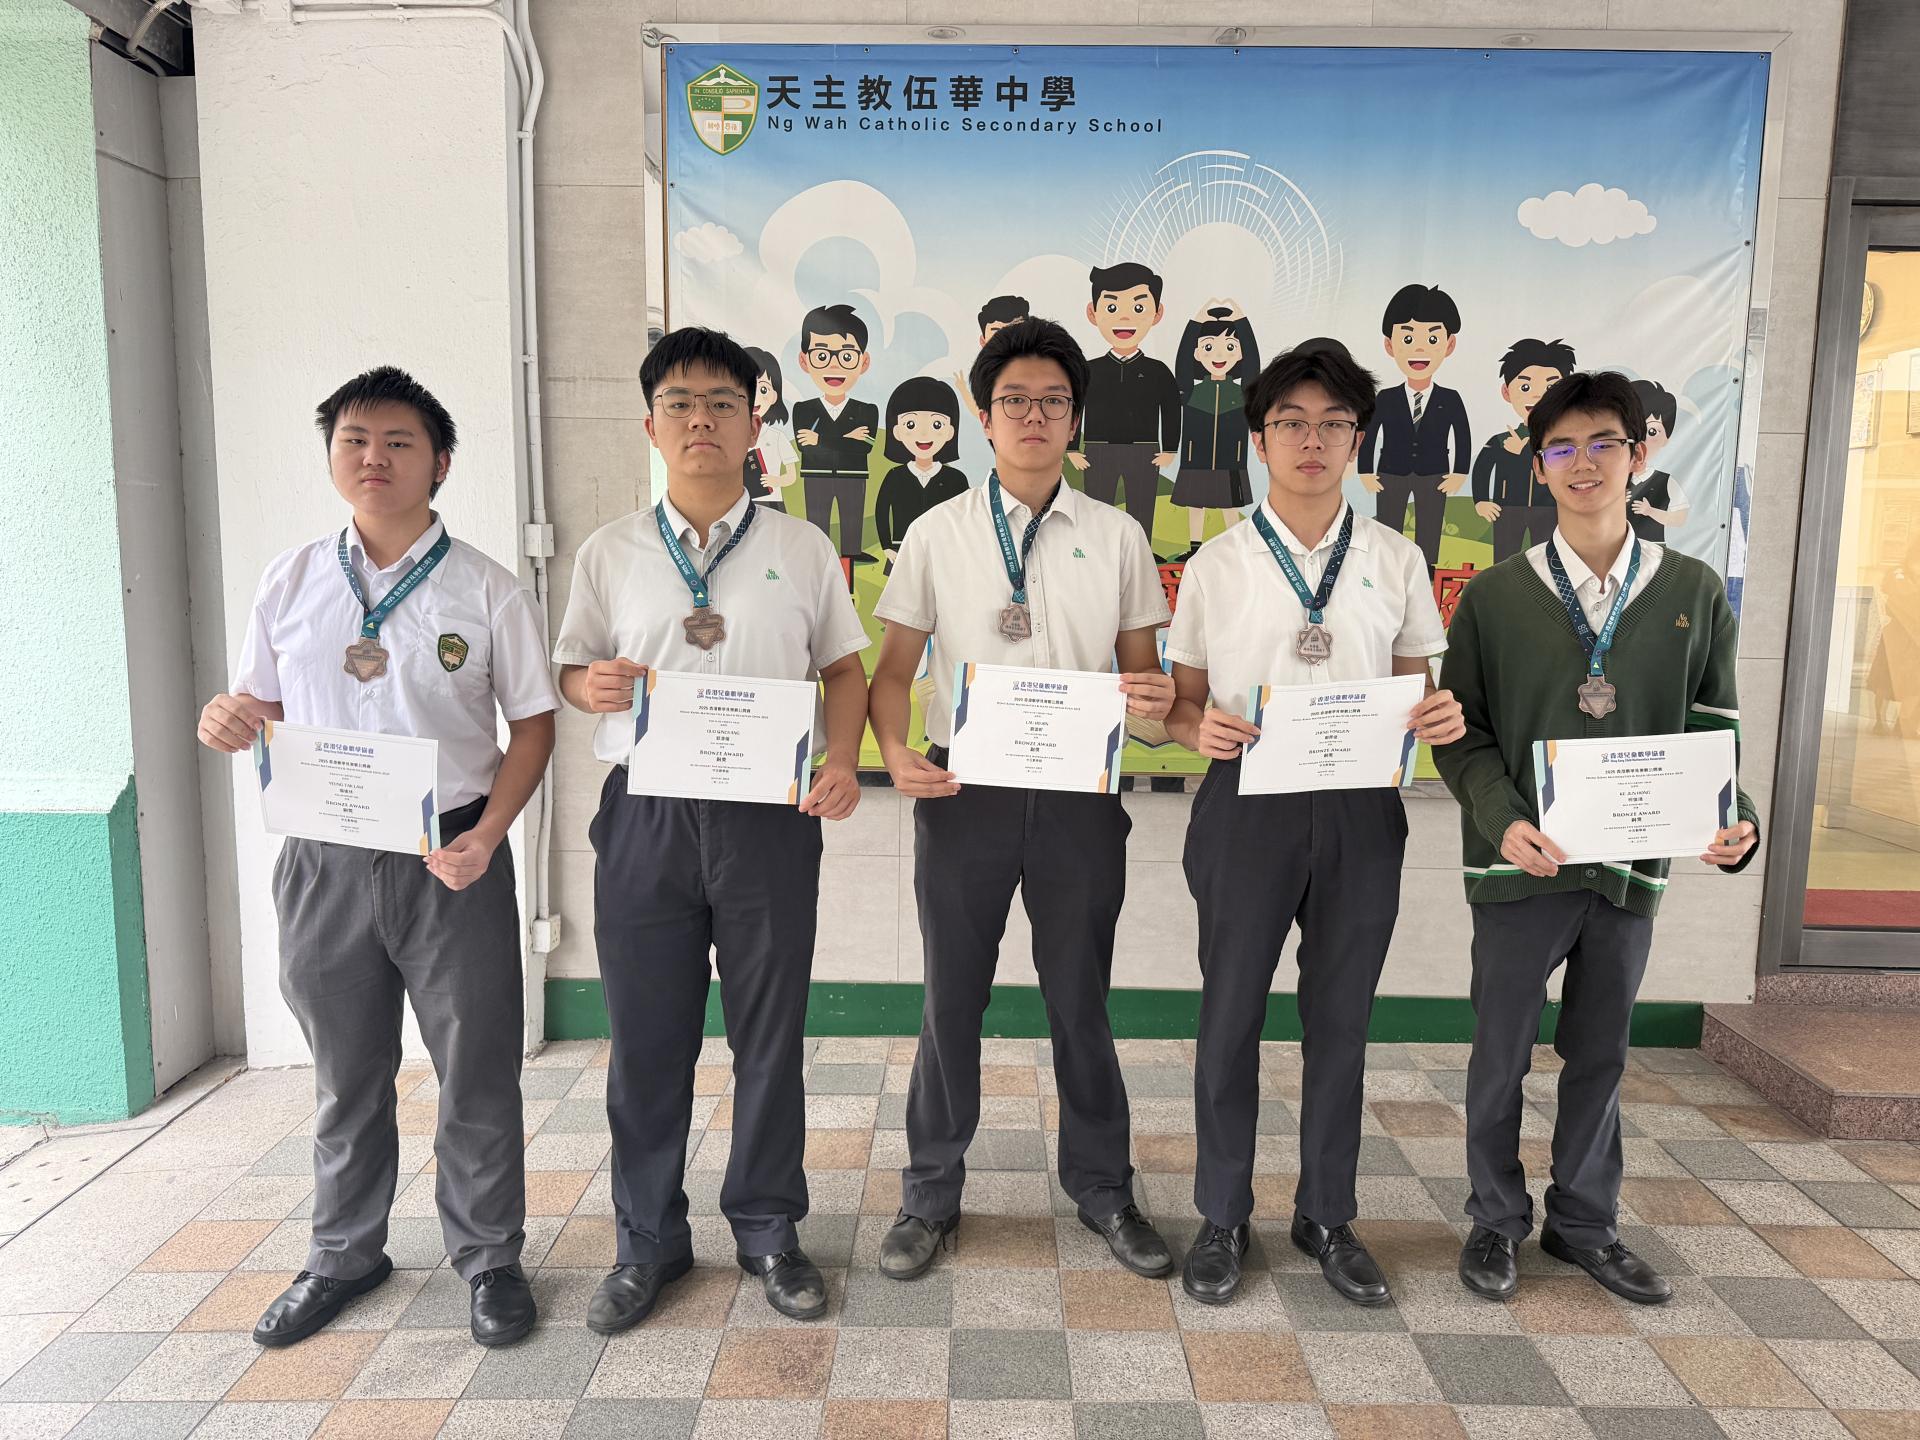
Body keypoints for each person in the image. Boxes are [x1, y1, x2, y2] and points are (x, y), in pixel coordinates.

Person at [196, 365, 558, 1349]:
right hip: (323, 860)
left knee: (475, 1067)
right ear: (331, 457)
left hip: (452, 857)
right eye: (354, 440)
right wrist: (230, 716)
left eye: (399, 442)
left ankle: (489, 1258)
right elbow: (260, 704)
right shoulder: (291, 579)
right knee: (345, 1072)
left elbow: (532, 725)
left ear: (440, 463)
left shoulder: (485, 587)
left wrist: (490, 836)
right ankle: (343, 1254)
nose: (374, 458)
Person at [553, 327, 871, 1331]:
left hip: (768, 819)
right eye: (681, 403)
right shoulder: (610, 551)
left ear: (753, 422)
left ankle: (769, 1227)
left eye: (723, 402)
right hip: (645, 815)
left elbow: (845, 671)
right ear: (652, 425)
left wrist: (841, 760)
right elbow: (572, 671)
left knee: (769, 1035)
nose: (702, 419)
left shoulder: (800, 547)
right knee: (648, 1039)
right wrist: (591, 686)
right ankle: (647, 1240)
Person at [1435, 370, 1759, 1307]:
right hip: (1520, 867)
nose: (1585, 463)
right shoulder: (1495, 596)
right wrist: (1503, 821)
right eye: (1563, 447)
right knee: (1500, 1050)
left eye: (1604, 443)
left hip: (1629, 869)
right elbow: (1461, 735)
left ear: (1640, 453)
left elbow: (1713, 729)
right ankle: (1495, 1220)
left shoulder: (1692, 588)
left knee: (1602, 1051)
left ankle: (1584, 1223)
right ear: (1539, 466)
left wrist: (1734, 819)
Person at [869, 317, 1178, 1282]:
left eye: (1052, 401)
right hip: (965, 791)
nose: (1033, 417)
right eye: (1015, 401)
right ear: (984, 415)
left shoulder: (1118, 536)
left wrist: (1153, 700)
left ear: (1075, 418)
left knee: (1080, 998)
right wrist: (894, 751)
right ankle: (929, 1194)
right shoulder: (937, 532)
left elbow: (1144, 677)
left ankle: (1103, 1187)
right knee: (950, 998)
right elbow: (892, 673)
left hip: (1081, 796)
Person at [1164, 342, 1464, 1306]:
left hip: (1362, 810)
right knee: (1230, 1016)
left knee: (1342, 1020)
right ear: (1258, 440)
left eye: (1333, 424)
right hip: (1245, 806)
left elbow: (1420, 683)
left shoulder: (1395, 557)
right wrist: (1193, 728)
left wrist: (1437, 713)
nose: (1312, 440)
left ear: (1357, 439)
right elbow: (1182, 701)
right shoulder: (1216, 563)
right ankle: (1223, 1213)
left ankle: (1327, 1213)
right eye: (1291, 422)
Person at [1358, 283, 1471, 574]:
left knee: (1430, 525)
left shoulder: (1450, 398)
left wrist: (1459, 472)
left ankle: (1427, 571)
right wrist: (1365, 471)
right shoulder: (1385, 398)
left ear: (1449, 345)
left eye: (1432, 338)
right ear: (1389, 345)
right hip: (1391, 471)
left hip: (1434, 472)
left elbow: (1462, 436)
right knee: (1389, 525)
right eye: (1407, 338)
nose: (1419, 349)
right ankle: (1386, 571)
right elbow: (1369, 435)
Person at [1069, 262, 1180, 553]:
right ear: (1093, 313)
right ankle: (1097, 555)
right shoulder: (1089, 370)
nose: (1125, 317)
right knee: (1097, 507)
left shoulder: (1158, 371)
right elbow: (1075, 409)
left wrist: (1170, 449)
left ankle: (1141, 557)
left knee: (1141, 508)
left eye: (1139, 308)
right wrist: (1072, 448)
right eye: (1112, 307)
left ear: (1157, 314)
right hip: (1098, 450)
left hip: (1144, 450)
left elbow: (1171, 408)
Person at [792, 301, 881, 566]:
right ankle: (815, 555)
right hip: (815, 474)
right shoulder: (803, 409)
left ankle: (852, 551)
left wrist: (821, 440)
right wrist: (846, 439)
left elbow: (865, 446)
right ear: (804, 360)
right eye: (822, 356)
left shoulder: (867, 410)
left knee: (852, 516)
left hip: (854, 474)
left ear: (863, 362)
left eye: (846, 356)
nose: (834, 366)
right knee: (817, 520)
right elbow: (805, 445)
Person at [1171, 301, 1261, 562]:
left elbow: (1254, 366)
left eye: (1230, 347)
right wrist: (1195, 324)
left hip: (1230, 461)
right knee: (1195, 504)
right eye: (1209, 347)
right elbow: (1182, 366)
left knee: (1229, 505)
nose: (1219, 355)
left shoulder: (1242, 393)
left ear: (1240, 354)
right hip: (1195, 459)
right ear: (1197, 354)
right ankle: (1194, 547)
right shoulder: (1191, 391)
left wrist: (1242, 322)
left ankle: (1235, 546)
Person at [1471, 338, 1576, 561]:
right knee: (1503, 560)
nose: (1537, 396)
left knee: (1548, 562)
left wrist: (1525, 451)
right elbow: (1482, 469)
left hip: (1549, 509)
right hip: (1507, 509)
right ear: (1506, 392)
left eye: (1550, 387)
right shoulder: (1501, 440)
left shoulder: (1564, 443)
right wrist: (1481, 500)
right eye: (1525, 387)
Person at [874, 375, 970, 572]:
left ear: (950, 431)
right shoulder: (894, 476)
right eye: (911, 424)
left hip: (944, 553)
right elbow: (881, 511)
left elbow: (966, 518)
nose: (924, 435)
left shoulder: (957, 479)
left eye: (937, 425)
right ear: (897, 431)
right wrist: (887, 546)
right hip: (902, 550)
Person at [1626, 379, 1691, 541]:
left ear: (1666, 438)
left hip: (1654, 550)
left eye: (1652, 432)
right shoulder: (1609, 478)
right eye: (1632, 430)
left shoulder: (1666, 481)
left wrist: (1650, 511)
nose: (1641, 440)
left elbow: (1680, 518)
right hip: (1613, 550)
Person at [742, 345, 800, 513]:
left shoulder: (777, 437)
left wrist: (776, 480)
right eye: (748, 388)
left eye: (763, 389)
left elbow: (791, 475)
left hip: (773, 501)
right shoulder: (729, 436)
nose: (755, 397)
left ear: (775, 395)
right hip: (740, 504)